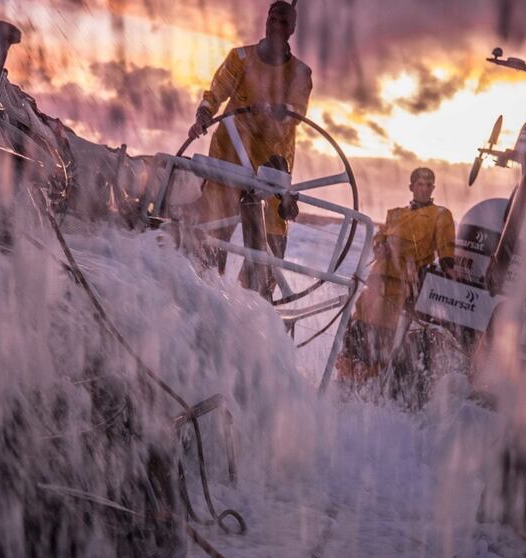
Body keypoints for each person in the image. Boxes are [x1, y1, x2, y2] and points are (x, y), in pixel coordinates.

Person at [187, 0, 312, 274]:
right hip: (229, 153)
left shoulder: (300, 73)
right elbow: (216, 92)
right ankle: (203, 281)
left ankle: (257, 293)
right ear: (266, 21)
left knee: (270, 243)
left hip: (271, 164)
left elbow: (297, 110)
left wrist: (276, 109)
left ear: (292, 29)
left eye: (283, 22)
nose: (276, 26)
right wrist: (204, 115)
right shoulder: (240, 58)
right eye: (273, 19)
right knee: (212, 231)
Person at [336, 167, 457, 382]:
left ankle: (373, 383)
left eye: (428, 185)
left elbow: (445, 248)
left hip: (404, 285)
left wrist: (451, 272)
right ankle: (344, 381)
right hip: (377, 280)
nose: (424, 188)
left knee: (384, 339)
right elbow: (378, 238)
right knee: (357, 327)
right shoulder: (395, 214)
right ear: (411, 187)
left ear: (433, 188)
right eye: (420, 184)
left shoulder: (440, 215)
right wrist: (380, 245)